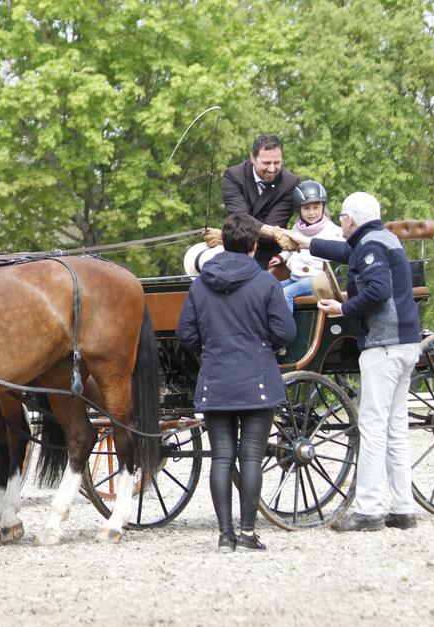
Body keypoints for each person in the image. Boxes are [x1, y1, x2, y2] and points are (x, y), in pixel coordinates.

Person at [285, 192, 422, 532]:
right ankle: (403, 509)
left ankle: (369, 510)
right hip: (405, 343)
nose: (341, 223)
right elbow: (344, 252)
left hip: (384, 345)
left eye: (343, 218)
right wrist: (303, 242)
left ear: (350, 220)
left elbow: (378, 290)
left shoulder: (370, 245)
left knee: (372, 428)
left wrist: (342, 308)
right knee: (394, 428)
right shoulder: (381, 239)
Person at [178, 214, 295, 553]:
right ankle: (247, 534)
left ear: (224, 243)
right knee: (251, 458)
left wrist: (210, 349)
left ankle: (225, 536)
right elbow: (285, 332)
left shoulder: (200, 284)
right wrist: (265, 345)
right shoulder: (266, 283)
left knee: (222, 458)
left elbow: (186, 333)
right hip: (257, 377)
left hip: (216, 378)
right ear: (254, 246)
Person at [215, 134, 303, 268]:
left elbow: (272, 224)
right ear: (252, 157)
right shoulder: (233, 176)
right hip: (236, 252)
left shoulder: (291, 183)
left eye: (277, 162)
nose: (272, 169)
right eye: (266, 163)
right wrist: (273, 231)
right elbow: (241, 217)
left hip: (270, 258)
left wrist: (233, 231)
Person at [268, 180, 345, 311]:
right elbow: (291, 247)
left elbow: (341, 252)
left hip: (317, 280)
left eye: (316, 208)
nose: (311, 213)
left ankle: (285, 325)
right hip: (296, 277)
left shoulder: (333, 231)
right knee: (270, 290)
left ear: (323, 207)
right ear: (299, 209)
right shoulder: (297, 228)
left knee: (286, 293)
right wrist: (281, 257)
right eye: (306, 208)